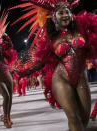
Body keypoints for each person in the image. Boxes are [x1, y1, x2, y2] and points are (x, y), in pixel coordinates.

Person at [12, 0, 97, 130]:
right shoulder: (51, 39)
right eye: (60, 13)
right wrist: (24, 72)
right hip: (61, 80)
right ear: (54, 17)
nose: (65, 15)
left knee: (84, 119)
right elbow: (42, 61)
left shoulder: (82, 28)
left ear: (72, 14)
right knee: (74, 118)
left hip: (81, 78)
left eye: (67, 12)